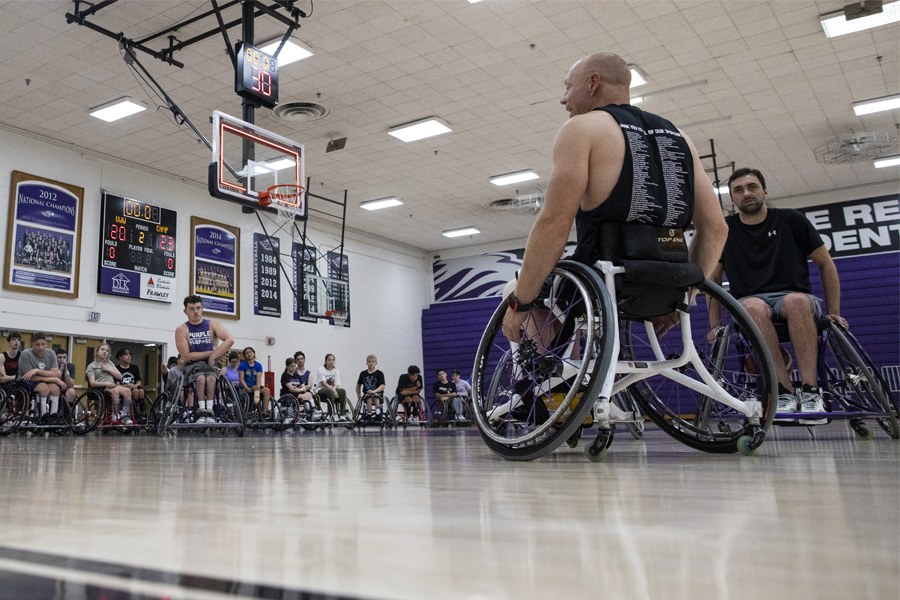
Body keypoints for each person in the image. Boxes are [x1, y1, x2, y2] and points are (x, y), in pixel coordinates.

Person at [498, 53, 727, 423]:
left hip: (606, 280)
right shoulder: (680, 136)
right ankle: (574, 383)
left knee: (516, 287)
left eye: (567, 88)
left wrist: (520, 303)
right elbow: (716, 228)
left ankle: (548, 387)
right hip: (667, 283)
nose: (563, 99)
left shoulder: (583, 129)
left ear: (592, 83)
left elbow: (555, 223)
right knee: (563, 297)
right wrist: (684, 296)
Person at [712, 168, 844, 425]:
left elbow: (826, 265)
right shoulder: (725, 230)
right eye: (738, 190)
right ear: (732, 199)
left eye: (752, 187)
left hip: (797, 299)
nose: (746, 193)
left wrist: (834, 311)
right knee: (752, 306)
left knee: (794, 301)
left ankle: (810, 391)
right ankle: (783, 392)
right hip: (750, 303)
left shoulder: (791, 220)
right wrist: (714, 324)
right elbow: (713, 280)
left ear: (765, 191)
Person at [175, 295, 235, 424]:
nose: (196, 312)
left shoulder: (212, 324)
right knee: (201, 378)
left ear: (202, 308)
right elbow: (186, 356)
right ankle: (202, 411)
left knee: (212, 378)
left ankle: (210, 410)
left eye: (198, 308)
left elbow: (230, 340)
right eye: (192, 309)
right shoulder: (182, 329)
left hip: (210, 364)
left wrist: (214, 356)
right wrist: (213, 353)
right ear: (185, 311)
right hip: (193, 365)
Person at [17, 333, 69, 423]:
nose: (40, 347)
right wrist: (55, 379)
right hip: (26, 381)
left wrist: (37, 370)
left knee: (55, 389)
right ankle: (43, 416)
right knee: (43, 388)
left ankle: (53, 416)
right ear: (32, 344)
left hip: (43, 379)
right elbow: (31, 377)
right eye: (37, 344)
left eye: (43, 344)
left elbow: (55, 373)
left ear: (46, 344)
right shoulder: (25, 354)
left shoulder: (51, 353)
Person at [86, 343, 132, 425]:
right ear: (97, 352)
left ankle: (125, 415)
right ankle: (115, 414)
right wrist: (106, 383)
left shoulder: (109, 363)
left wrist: (109, 369)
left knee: (127, 391)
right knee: (115, 391)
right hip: (101, 388)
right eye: (102, 350)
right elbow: (92, 383)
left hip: (112, 385)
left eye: (107, 351)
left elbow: (120, 376)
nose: (105, 352)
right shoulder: (91, 366)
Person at [315, 354, 349, 420]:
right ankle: (331, 414)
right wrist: (333, 390)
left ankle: (342, 414)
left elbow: (336, 384)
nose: (331, 361)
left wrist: (334, 389)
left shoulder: (336, 371)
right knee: (330, 391)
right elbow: (324, 383)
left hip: (332, 390)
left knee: (342, 391)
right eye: (329, 360)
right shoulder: (321, 370)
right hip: (321, 390)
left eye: (333, 360)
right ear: (325, 361)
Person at [239, 346, 270, 416]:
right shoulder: (242, 365)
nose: (248, 354)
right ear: (245, 356)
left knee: (267, 390)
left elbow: (259, 378)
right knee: (254, 389)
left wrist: (258, 388)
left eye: (250, 352)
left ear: (254, 353)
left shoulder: (258, 365)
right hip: (246, 386)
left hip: (255, 386)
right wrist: (247, 389)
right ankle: (255, 400)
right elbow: (241, 379)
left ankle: (264, 412)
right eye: (246, 353)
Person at [116, 347, 146, 418]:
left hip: (134, 387)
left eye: (130, 354)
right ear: (120, 357)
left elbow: (139, 382)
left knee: (141, 391)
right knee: (135, 392)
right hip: (123, 389)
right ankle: (134, 414)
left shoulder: (135, 368)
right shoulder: (117, 369)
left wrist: (134, 385)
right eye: (126, 354)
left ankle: (142, 413)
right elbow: (117, 384)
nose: (129, 356)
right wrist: (127, 386)